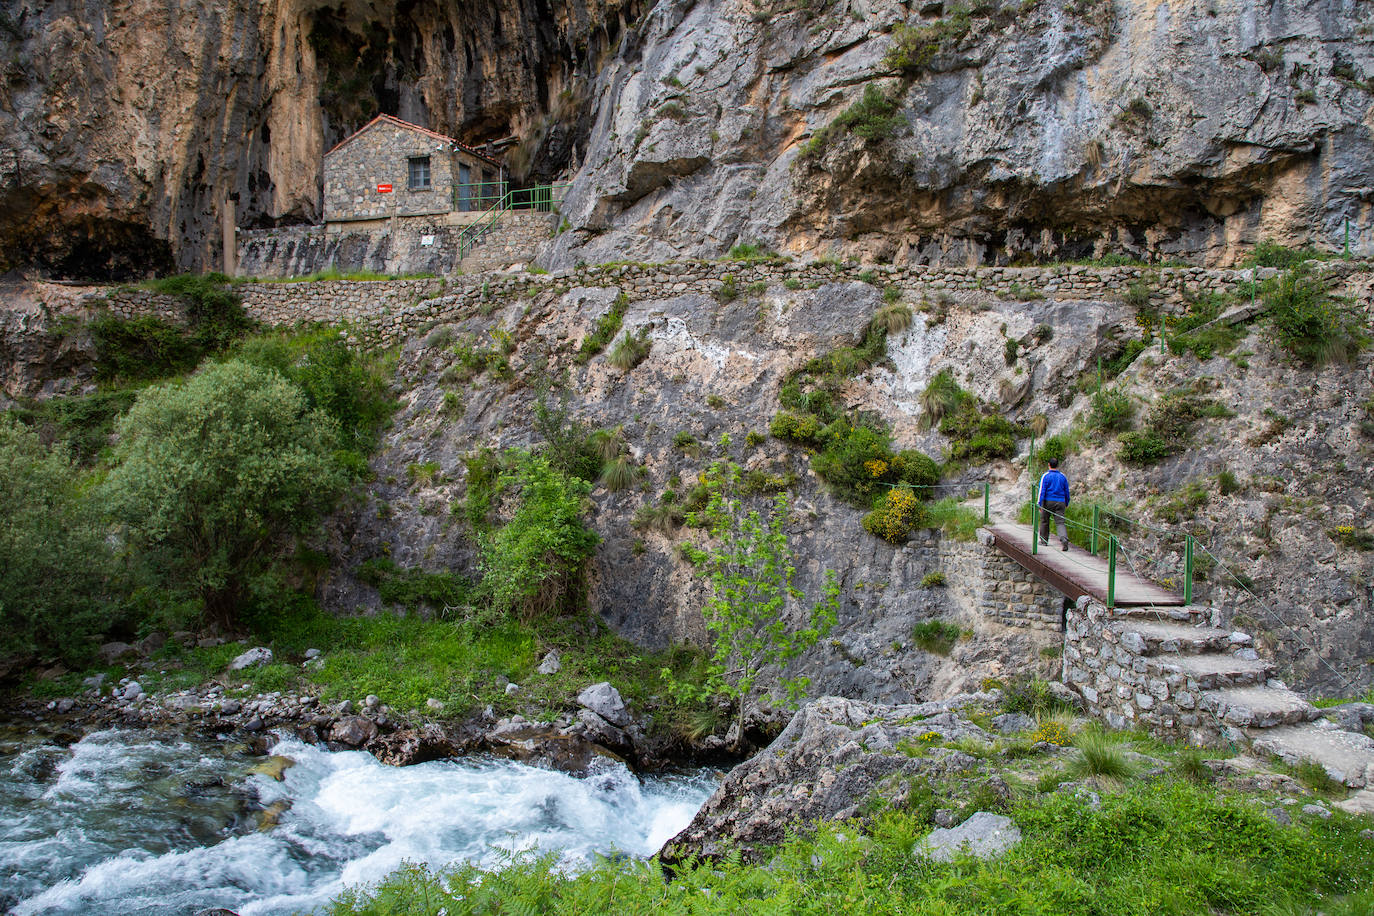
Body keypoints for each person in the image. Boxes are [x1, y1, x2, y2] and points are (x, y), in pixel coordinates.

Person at [1037, 458, 1070, 550]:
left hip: (1048, 501)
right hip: (1060, 502)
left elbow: (1042, 491)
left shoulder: (1046, 476)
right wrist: (1066, 502)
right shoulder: (1063, 476)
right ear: (1057, 465)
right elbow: (1066, 491)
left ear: (1049, 464)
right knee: (1060, 522)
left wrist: (1039, 503)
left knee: (1044, 521)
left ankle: (1044, 540)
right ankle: (1064, 539)